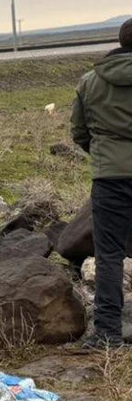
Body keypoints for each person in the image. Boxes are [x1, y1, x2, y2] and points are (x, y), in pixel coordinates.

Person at [70, 17, 132, 350]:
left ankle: (108, 333)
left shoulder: (89, 81)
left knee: (109, 255)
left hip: (109, 178)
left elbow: (79, 132)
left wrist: (104, 156)